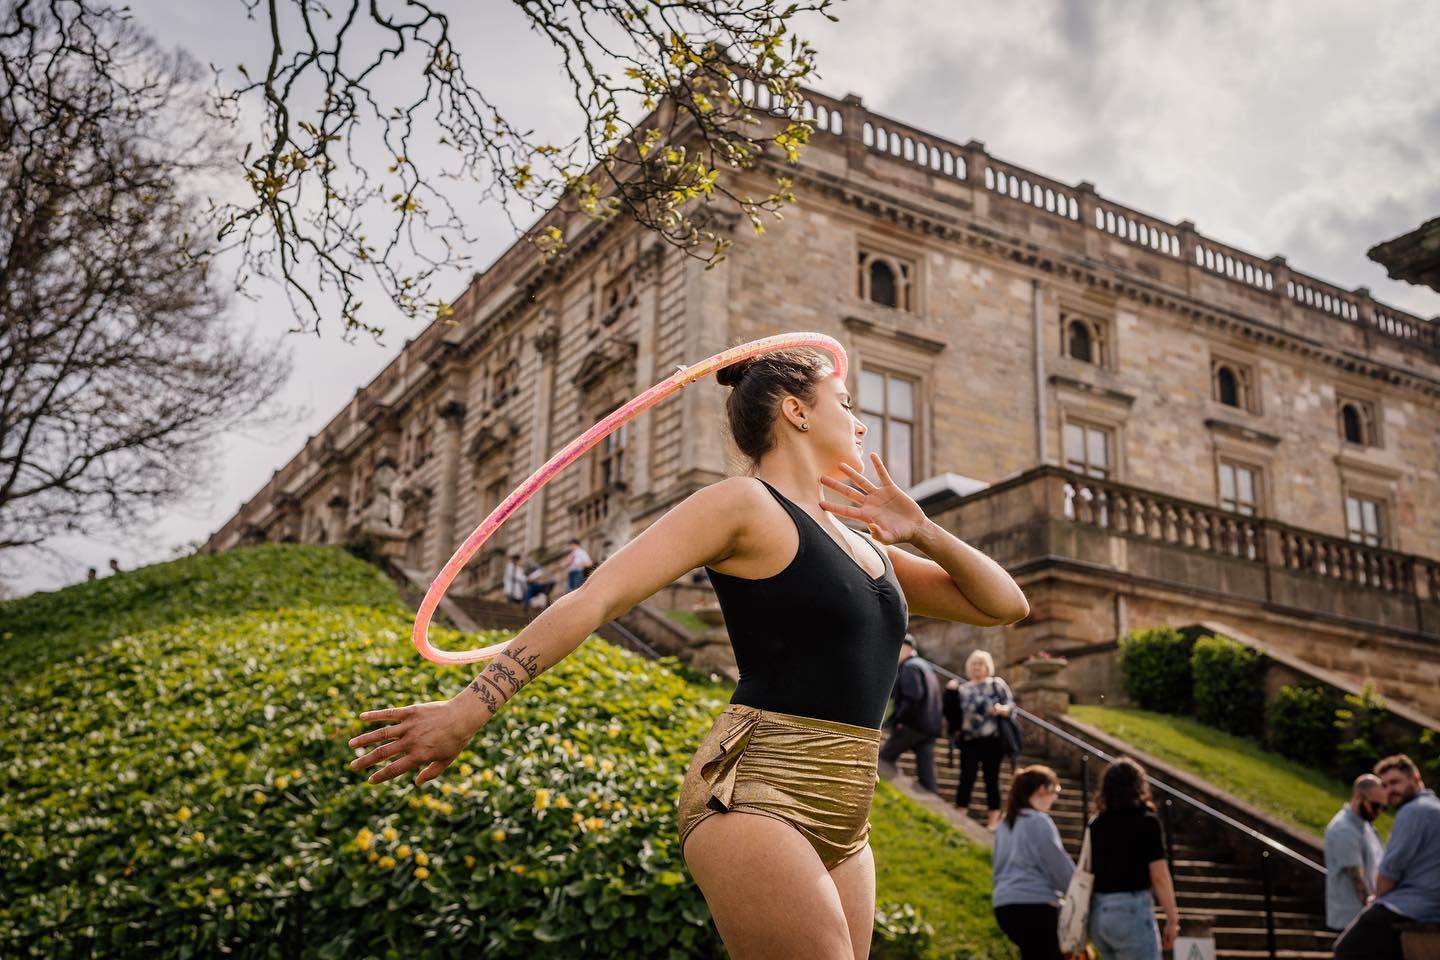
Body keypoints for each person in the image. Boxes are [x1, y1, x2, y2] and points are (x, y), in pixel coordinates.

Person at [347, 347, 1030, 959]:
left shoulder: (867, 545)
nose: (861, 423)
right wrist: (469, 709)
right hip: (755, 789)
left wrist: (924, 531)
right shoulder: (742, 505)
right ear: (795, 411)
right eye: (845, 404)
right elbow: (595, 599)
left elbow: (1003, 606)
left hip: (848, 806)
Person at [1334, 754, 1440, 960]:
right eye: (1385, 785)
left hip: (1410, 906)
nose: (1390, 790)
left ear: (1416, 778)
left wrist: (1377, 896)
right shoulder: (1435, 808)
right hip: (1431, 905)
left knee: (1346, 951)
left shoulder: (1413, 811)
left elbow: (1390, 870)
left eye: (1395, 782)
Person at [1087, 757, 1179, 960]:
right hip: (1130, 911)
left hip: (1100, 914)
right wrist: (1172, 919)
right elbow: (1159, 877)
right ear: (1139, 785)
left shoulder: (1097, 825)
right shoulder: (1147, 822)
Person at [992, 765, 1074, 960]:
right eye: (1055, 791)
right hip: (1035, 905)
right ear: (1042, 789)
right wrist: (1077, 893)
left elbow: (998, 867)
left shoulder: (1004, 825)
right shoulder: (1038, 821)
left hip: (1005, 906)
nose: (1056, 798)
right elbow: (1058, 865)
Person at [945, 649, 1014, 829]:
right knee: (966, 778)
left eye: (980, 664)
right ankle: (960, 816)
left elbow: (1011, 707)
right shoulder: (963, 689)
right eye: (974, 664)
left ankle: (993, 821)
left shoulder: (996, 685)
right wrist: (950, 693)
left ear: (987, 666)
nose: (977, 667)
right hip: (969, 740)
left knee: (992, 779)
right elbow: (952, 715)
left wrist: (1001, 709)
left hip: (992, 740)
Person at [878, 635, 944, 793]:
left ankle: (900, 790)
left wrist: (898, 720)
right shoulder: (925, 666)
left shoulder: (910, 668)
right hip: (929, 727)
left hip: (912, 725)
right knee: (927, 777)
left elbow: (912, 698)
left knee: (883, 758)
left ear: (906, 649)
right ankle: (932, 807)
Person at [1324, 773, 1387, 931]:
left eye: (1383, 807)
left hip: (1366, 919)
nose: (1379, 812)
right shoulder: (1344, 829)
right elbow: (1357, 881)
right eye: (1375, 805)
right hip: (1351, 921)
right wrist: (1375, 913)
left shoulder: (1368, 828)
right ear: (1358, 796)